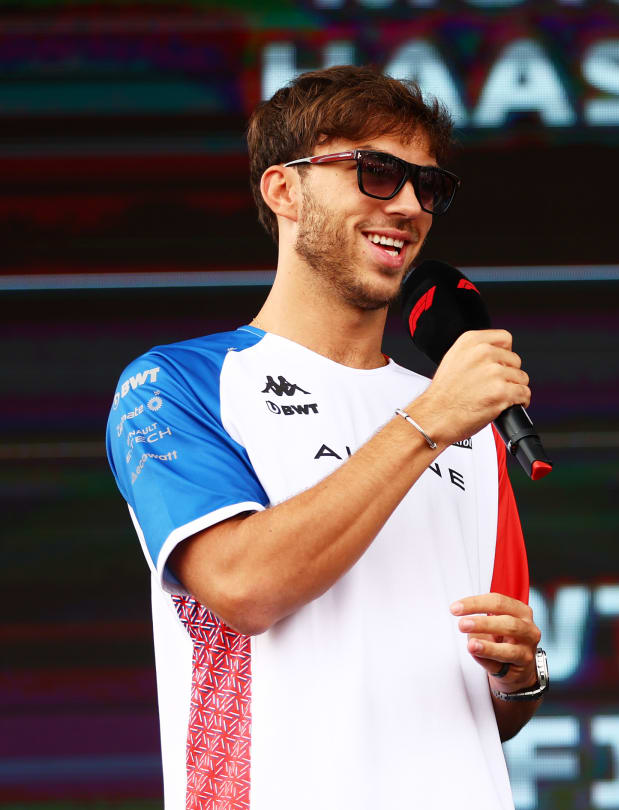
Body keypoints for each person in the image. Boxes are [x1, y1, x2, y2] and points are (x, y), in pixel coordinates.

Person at [104, 66, 547, 809]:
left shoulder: (465, 418)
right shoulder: (177, 382)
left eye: (427, 186)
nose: (407, 204)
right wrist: (428, 424)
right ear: (284, 190)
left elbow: (488, 712)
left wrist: (520, 675)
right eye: (377, 173)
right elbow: (244, 588)